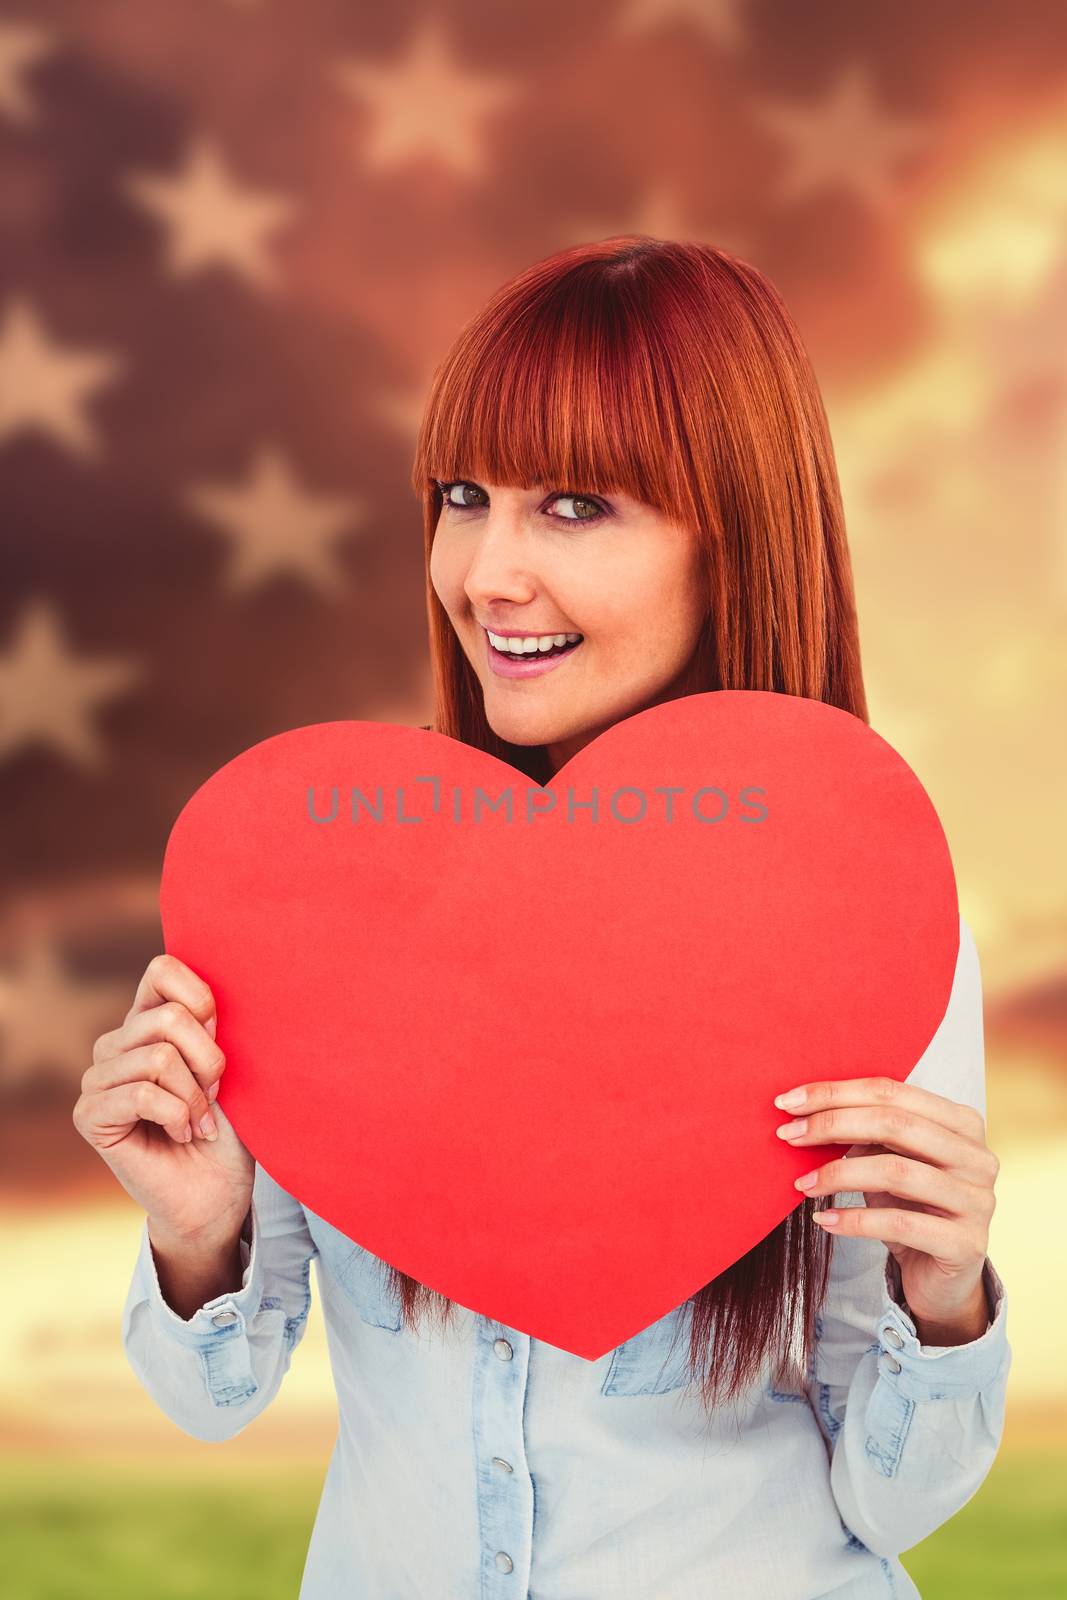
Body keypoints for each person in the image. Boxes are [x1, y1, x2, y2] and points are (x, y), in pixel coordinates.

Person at [73, 237, 1011, 1599]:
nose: (486, 575)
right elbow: (214, 1401)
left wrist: (948, 1295)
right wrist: (198, 1231)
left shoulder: (870, 926)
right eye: (464, 496)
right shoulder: (326, 892)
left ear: (731, 538)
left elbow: (895, 1499)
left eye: (575, 506)